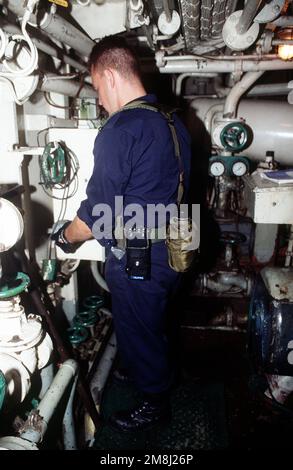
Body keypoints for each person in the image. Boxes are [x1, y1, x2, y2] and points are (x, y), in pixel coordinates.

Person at [52, 35, 191, 432]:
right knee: (154, 321)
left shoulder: (121, 128)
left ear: (110, 76)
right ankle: (146, 365)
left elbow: (97, 211)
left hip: (142, 252)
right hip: (177, 242)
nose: (99, 99)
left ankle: (154, 402)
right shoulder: (172, 121)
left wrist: (67, 238)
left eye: (97, 87)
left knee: (138, 324)